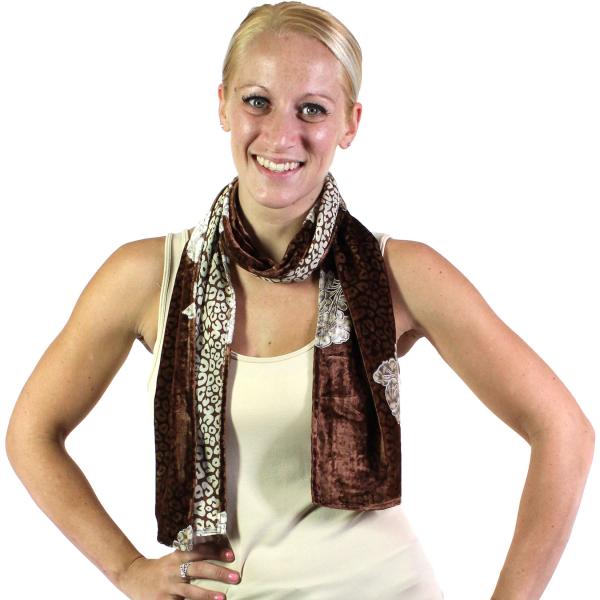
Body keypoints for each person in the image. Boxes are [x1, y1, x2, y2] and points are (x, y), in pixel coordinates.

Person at [5, 2, 594, 599]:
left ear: (350, 124)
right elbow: (31, 433)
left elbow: (563, 432)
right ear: (222, 104)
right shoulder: (146, 276)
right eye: (257, 101)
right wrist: (126, 570)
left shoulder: (399, 274)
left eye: (312, 109)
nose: (281, 135)